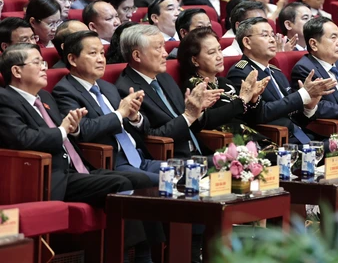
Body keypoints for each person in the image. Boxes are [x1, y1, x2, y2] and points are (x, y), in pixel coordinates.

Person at [0, 43, 156, 262]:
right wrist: (63, 130)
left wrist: (72, 129)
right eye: (37, 63)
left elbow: (65, 132)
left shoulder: (44, 97)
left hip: (77, 169)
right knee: (120, 184)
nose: (44, 67)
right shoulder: (5, 99)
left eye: (43, 62)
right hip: (49, 177)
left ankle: (148, 252)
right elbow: (22, 138)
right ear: (16, 71)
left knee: (140, 181)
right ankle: (124, 257)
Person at [52, 29, 164, 182]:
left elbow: (142, 129)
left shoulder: (108, 87)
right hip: (112, 164)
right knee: (165, 181)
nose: (101, 59)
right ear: (72, 59)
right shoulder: (64, 90)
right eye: (93, 53)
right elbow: (83, 129)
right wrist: (120, 114)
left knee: (188, 171)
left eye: (102, 53)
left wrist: (134, 117)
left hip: (140, 158)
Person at [114, 24, 219, 159]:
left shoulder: (164, 77)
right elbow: (150, 137)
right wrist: (189, 115)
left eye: (164, 46)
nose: (165, 54)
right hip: (172, 159)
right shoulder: (127, 90)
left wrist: (197, 110)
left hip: (199, 151)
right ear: (137, 55)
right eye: (158, 48)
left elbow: (184, 119)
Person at [227, 17, 336, 144]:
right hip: (275, 141)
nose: (272, 40)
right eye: (265, 35)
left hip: (301, 135)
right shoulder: (241, 73)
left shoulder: (276, 72)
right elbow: (261, 114)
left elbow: (293, 116)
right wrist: (303, 95)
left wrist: (309, 107)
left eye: (272, 35)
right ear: (247, 42)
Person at [177, 26, 270, 145]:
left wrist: (253, 99)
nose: (219, 56)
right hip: (225, 144)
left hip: (249, 138)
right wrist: (241, 101)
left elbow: (250, 119)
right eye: (211, 53)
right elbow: (207, 120)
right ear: (195, 60)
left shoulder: (224, 82)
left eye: (219, 50)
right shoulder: (195, 85)